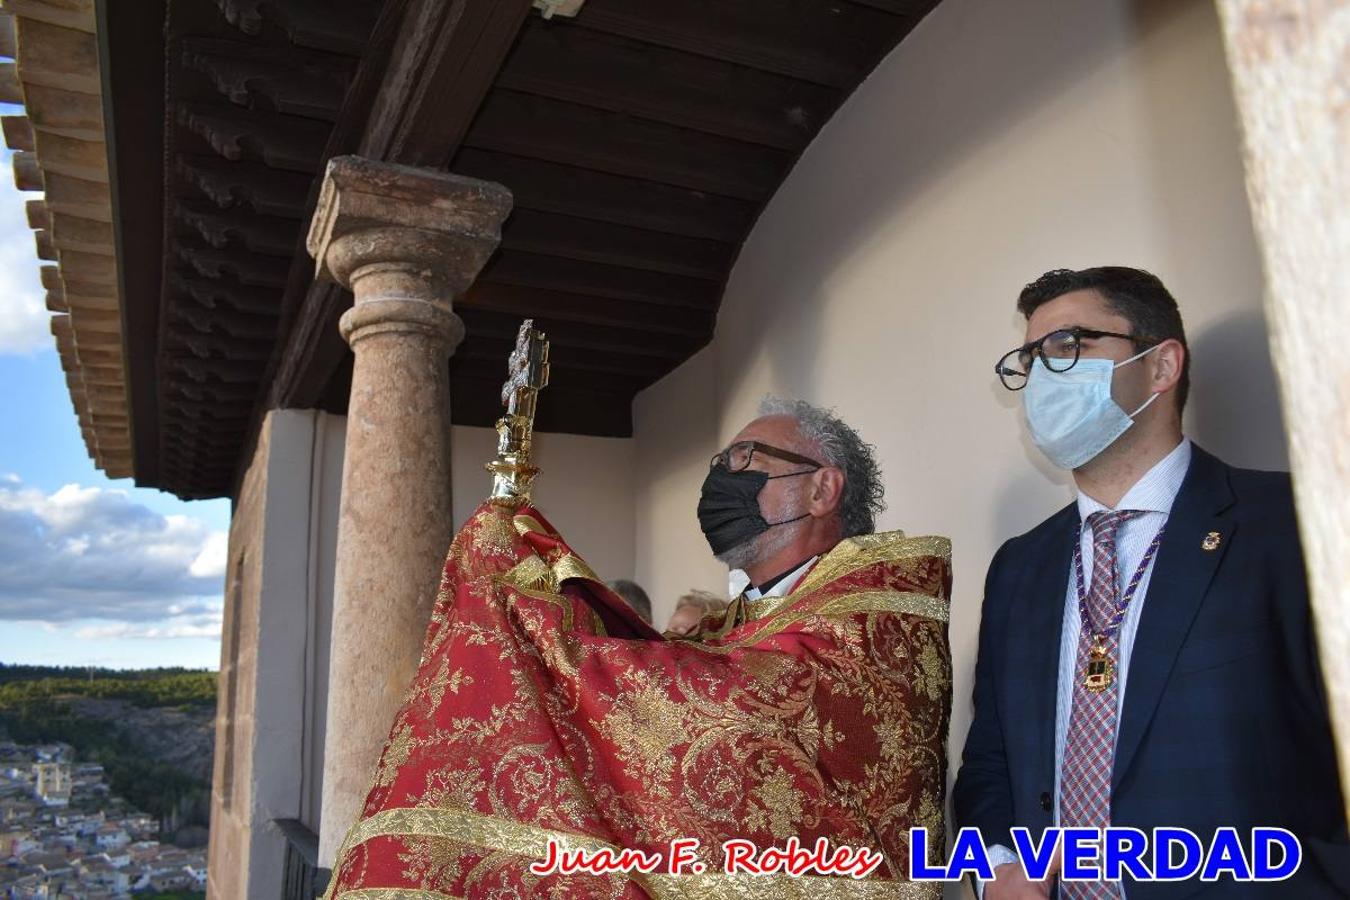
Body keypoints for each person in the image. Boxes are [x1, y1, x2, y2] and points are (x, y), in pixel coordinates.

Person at [322, 397, 954, 898]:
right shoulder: (742, 618)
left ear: (822, 490)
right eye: (715, 466)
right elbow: (662, 660)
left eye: (743, 461)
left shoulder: (882, 611)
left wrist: (542, 638)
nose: (718, 481)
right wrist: (542, 592)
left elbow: (741, 707)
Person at [954, 266, 1349, 899]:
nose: (1040, 378)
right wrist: (996, 867)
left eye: (1067, 346)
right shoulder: (1020, 566)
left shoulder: (1294, 523)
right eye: (1031, 358)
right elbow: (992, 759)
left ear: (1161, 367)